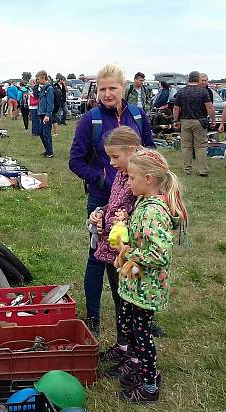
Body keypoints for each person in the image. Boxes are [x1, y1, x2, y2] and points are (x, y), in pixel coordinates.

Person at [68, 63, 154, 336]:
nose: (107, 94)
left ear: (123, 87)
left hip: (138, 200)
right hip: (101, 198)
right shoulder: (90, 120)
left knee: (136, 256)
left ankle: (137, 313)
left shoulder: (138, 116)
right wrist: (104, 179)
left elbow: (150, 152)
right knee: (97, 258)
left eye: (112, 88)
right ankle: (93, 314)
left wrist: (143, 182)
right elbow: (75, 161)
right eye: (102, 88)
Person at [114, 149, 188, 402]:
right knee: (132, 329)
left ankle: (149, 384)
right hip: (137, 285)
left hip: (147, 287)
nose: (128, 181)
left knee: (142, 333)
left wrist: (130, 252)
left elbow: (159, 254)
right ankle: (139, 370)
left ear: (148, 179)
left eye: (132, 178)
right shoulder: (143, 204)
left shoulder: (153, 211)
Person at [87, 126, 139, 368]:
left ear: (133, 151)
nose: (111, 162)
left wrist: (124, 219)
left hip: (129, 252)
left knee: (129, 302)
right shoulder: (122, 174)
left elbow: (143, 211)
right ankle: (123, 344)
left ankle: (132, 350)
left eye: (115, 157)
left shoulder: (141, 178)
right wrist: (101, 214)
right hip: (113, 248)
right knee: (119, 298)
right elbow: (115, 202)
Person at [173, 71, 215, 177]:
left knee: (186, 147)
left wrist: (176, 121)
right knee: (200, 146)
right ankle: (203, 170)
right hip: (200, 121)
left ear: (188, 79)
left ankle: (187, 169)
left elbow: (176, 108)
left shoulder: (181, 92)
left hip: (185, 121)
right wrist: (213, 120)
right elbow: (209, 107)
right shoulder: (203, 92)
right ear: (197, 79)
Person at [35, 70, 55, 157]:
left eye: (38, 79)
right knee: (41, 133)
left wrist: (48, 115)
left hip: (46, 114)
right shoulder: (43, 88)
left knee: (46, 134)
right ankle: (47, 150)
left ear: (43, 77)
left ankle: (50, 152)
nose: (37, 81)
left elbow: (50, 103)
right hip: (41, 113)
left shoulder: (49, 89)